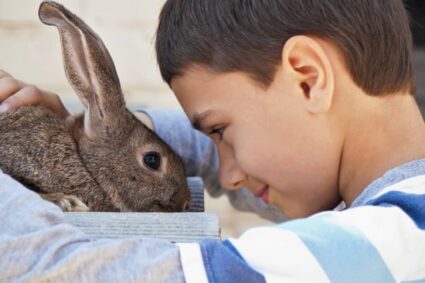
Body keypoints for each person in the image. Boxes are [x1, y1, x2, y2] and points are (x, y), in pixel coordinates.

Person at [1, 0, 424, 282]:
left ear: (308, 78)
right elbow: (204, 146)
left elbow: (72, 270)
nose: (227, 174)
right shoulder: (395, 211)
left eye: (220, 130)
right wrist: (96, 133)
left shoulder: (384, 244)